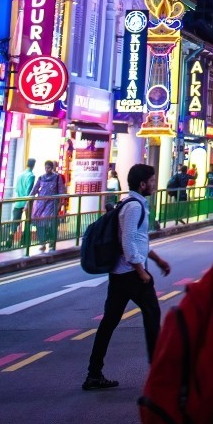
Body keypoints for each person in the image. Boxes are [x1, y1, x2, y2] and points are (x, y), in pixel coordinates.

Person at [82, 164, 170, 391]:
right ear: (142, 184)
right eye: (151, 181)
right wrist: (142, 272)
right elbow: (129, 242)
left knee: (109, 322)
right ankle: (158, 373)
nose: (153, 184)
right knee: (152, 315)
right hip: (131, 274)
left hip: (121, 274)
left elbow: (139, 240)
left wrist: (158, 260)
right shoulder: (133, 208)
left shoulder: (133, 204)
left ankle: (93, 374)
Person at [31, 160, 66, 252]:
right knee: (40, 223)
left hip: (52, 204)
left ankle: (51, 241)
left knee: (51, 223)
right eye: (45, 168)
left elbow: (62, 191)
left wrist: (60, 204)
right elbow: (34, 190)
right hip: (41, 205)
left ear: (52, 168)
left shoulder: (57, 177)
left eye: (49, 168)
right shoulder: (41, 178)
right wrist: (27, 202)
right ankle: (42, 243)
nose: (47, 169)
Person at [13, 157, 37, 249]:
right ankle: (25, 240)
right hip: (26, 203)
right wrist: (28, 202)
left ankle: (9, 239)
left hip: (18, 201)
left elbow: (17, 189)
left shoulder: (20, 175)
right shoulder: (31, 176)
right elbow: (29, 191)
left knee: (15, 222)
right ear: (33, 165)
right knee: (27, 222)